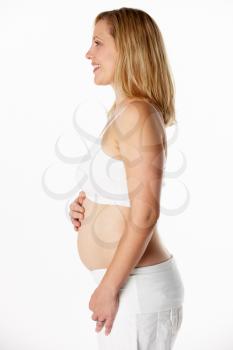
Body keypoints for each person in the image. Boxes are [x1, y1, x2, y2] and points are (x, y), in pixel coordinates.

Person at [69, 7, 184, 350]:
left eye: (98, 43)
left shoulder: (137, 112)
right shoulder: (120, 111)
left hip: (136, 290)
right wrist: (86, 208)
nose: (89, 54)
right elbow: (121, 194)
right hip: (127, 288)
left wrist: (109, 287)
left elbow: (145, 212)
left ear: (128, 48)